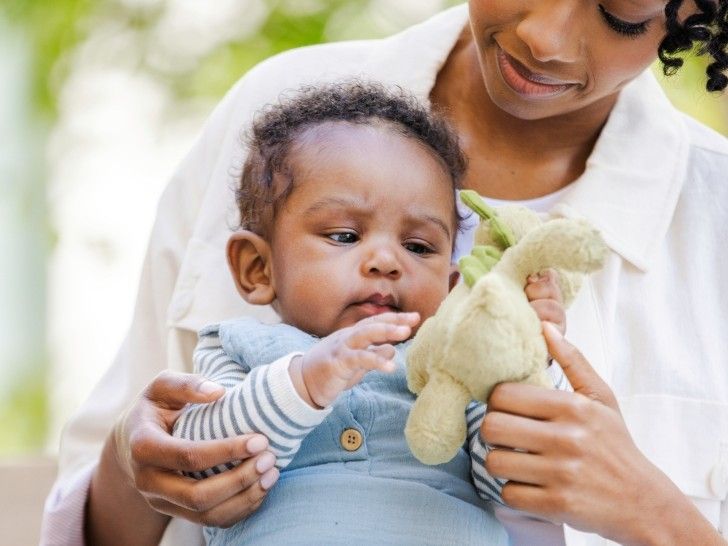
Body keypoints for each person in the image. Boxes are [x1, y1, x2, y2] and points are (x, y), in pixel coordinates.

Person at [41, 2, 728, 545]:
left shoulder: (713, 215)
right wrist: (133, 464)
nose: (545, 36)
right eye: (341, 235)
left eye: (622, 15)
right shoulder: (271, 117)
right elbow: (103, 514)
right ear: (253, 264)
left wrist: (654, 515)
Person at [168, 81, 571, 544]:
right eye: (344, 236)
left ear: (453, 286)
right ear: (258, 268)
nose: (386, 261)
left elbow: (515, 483)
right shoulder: (239, 347)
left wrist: (526, 359)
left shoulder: (453, 367)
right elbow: (199, 459)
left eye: (418, 246)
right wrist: (304, 384)